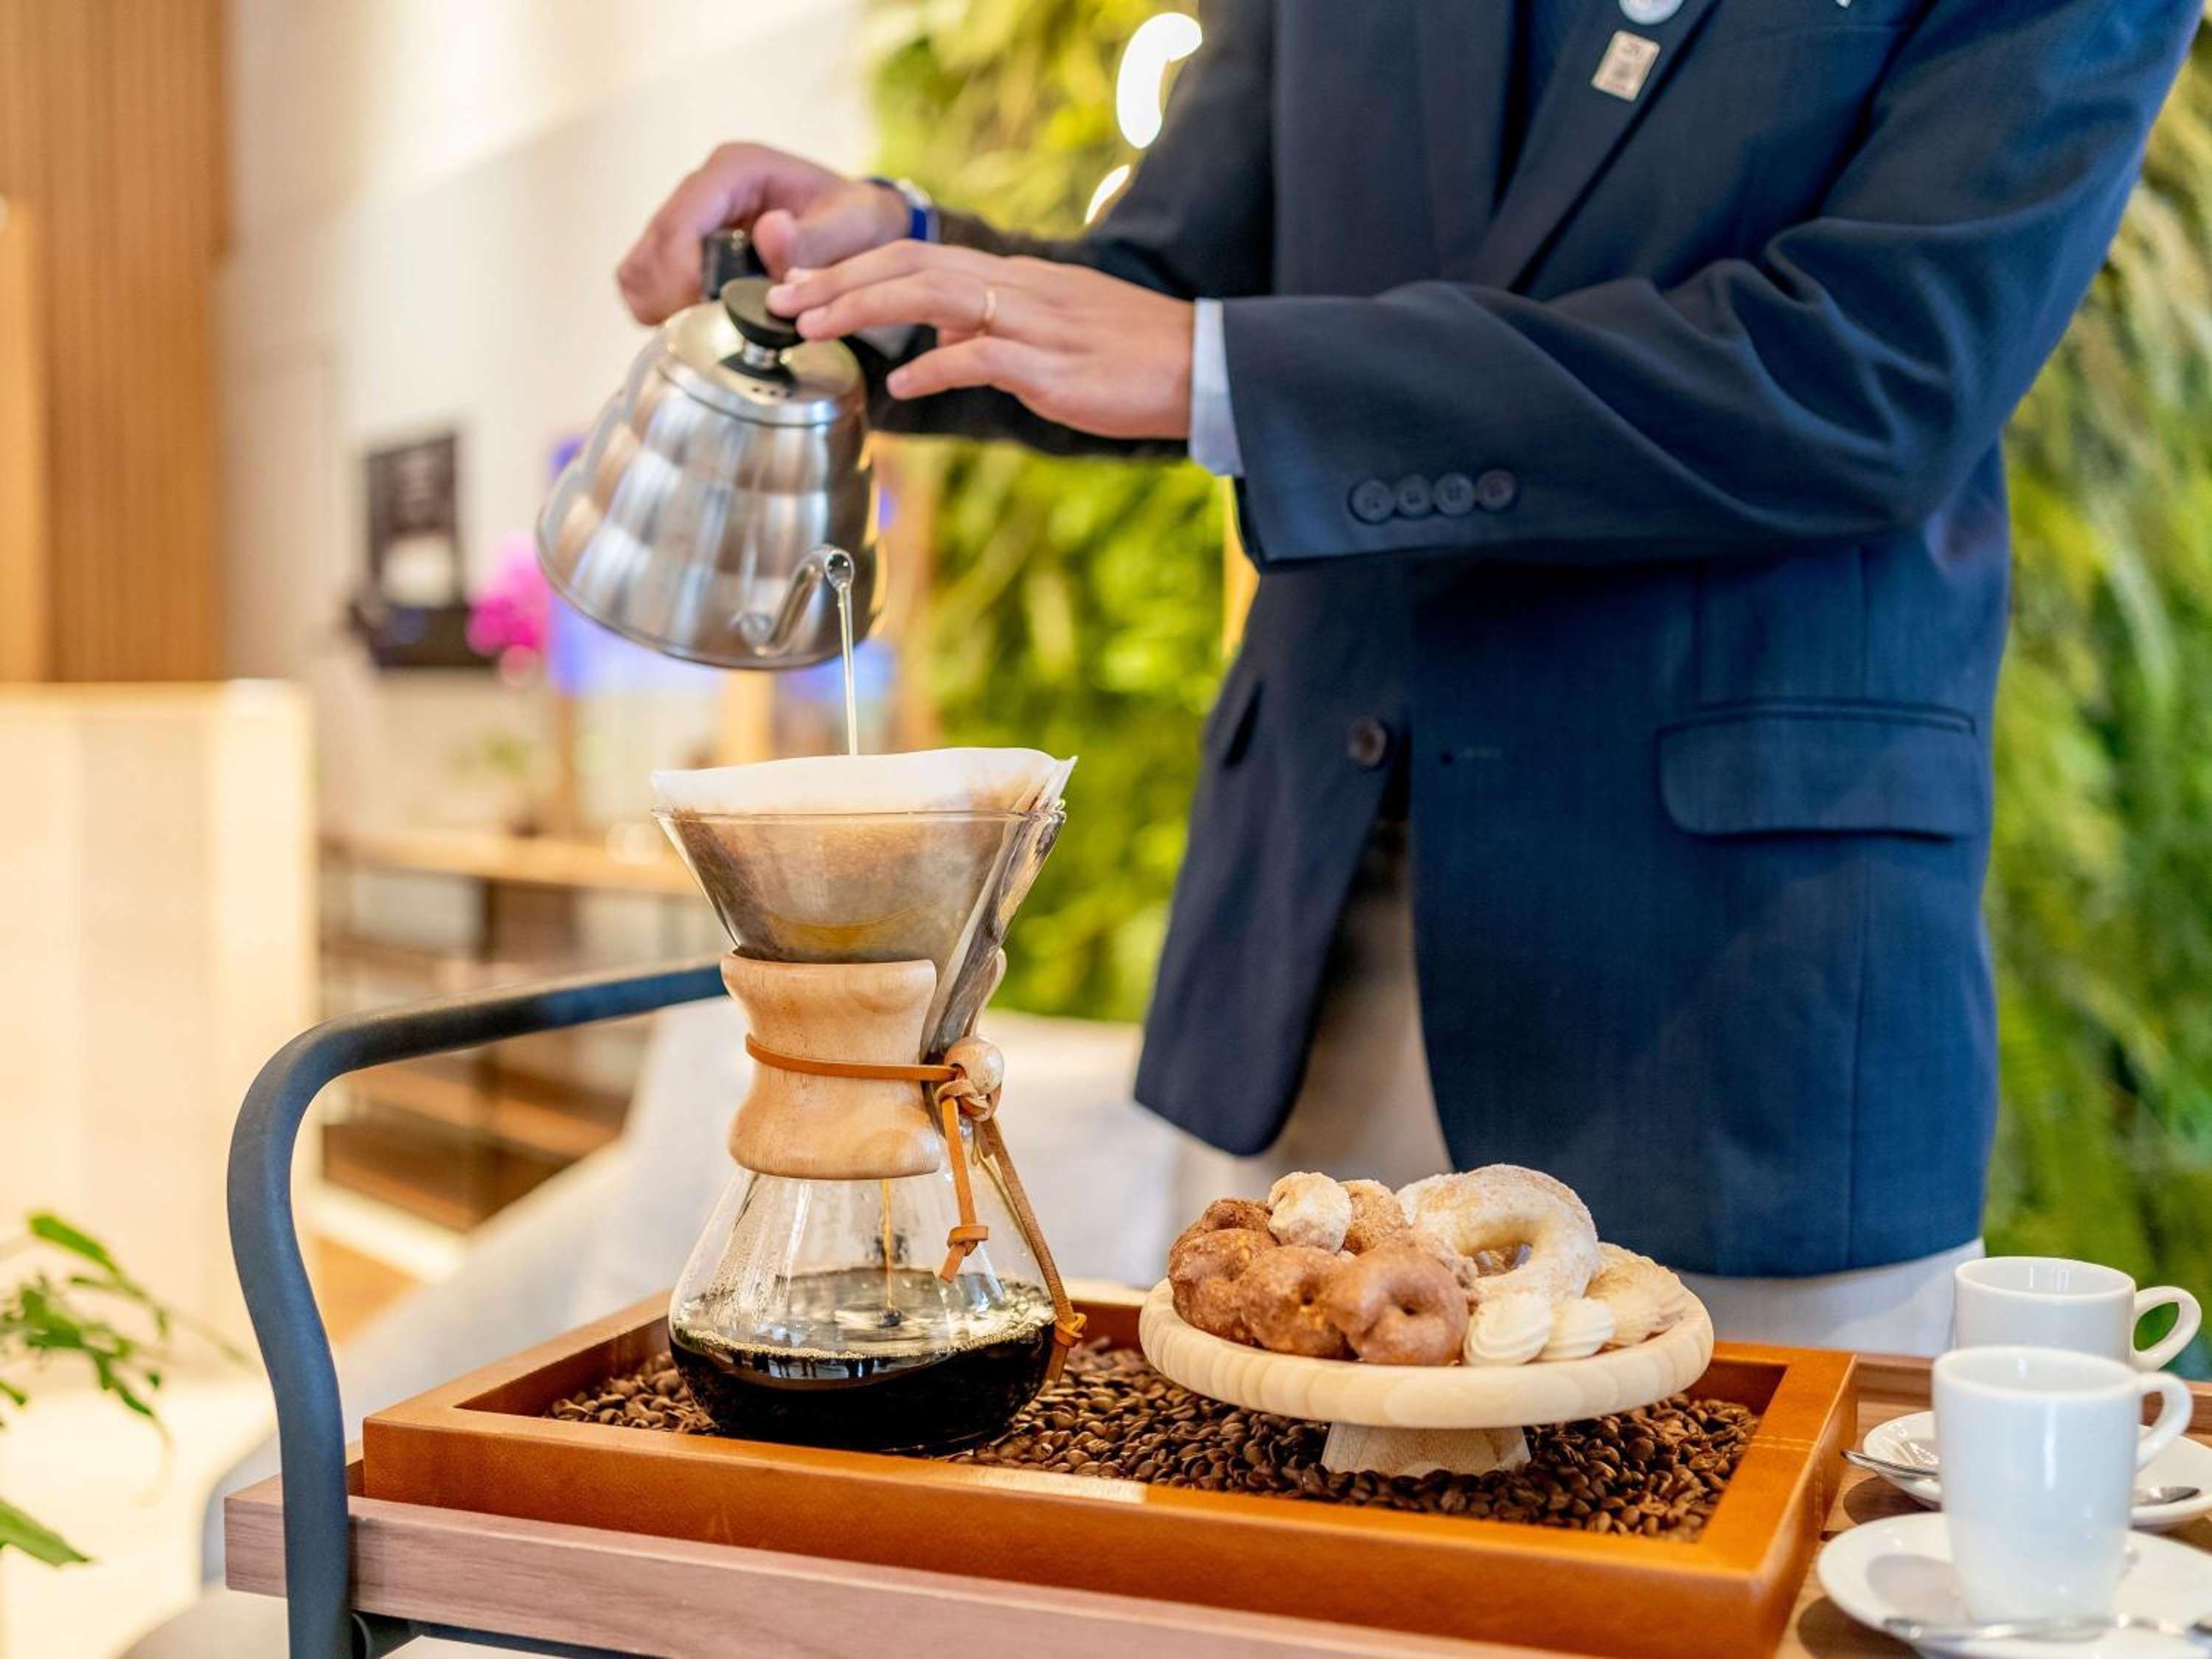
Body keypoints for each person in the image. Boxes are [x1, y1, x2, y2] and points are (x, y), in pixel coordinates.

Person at [619, 1, 2199, 1353]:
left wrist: (1236, 370)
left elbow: (1877, 371)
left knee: (1738, 1563)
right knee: (1273, 1554)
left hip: (1729, 999)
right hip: (1317, 939)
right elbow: (1173, 282)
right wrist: (893, 269)